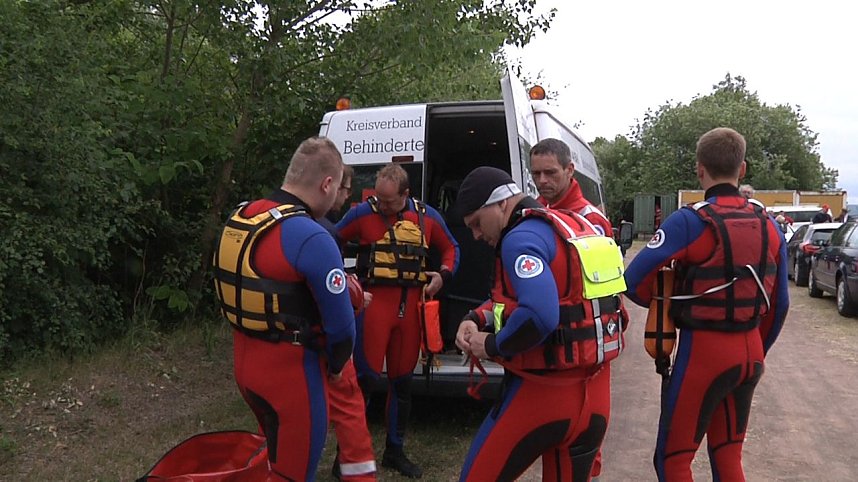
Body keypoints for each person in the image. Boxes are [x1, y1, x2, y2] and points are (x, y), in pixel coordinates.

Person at [624, 127, 789, 481]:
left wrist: (665, 300)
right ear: (742, 169)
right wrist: (756, 345)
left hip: (704, 353)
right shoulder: (769, 224)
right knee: (728, 456)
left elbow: (633, 281)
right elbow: (781, 305)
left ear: (700, 169)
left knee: (673, 460)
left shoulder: (690, 220)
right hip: (750, 353)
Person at [454, 166, 628, 482]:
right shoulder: (574, 225)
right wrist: (476, 317)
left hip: (542, 398)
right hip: (595, 398)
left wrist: (490, 345)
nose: (476, 235)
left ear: (501, 203)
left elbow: (540, 314)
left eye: (477, 223)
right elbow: (567, 298)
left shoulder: (519, 237)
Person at [212, 137, 356, 481]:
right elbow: (343, 330)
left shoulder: (244, 215)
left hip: (247, 370)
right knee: (294, 473)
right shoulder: (311, 236)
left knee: (271, 464)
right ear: (326, 184)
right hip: (292, 381)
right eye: (336, 188)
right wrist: (337, 367)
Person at [336, 163, 460, 478]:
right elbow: (330, 239)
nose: (382, 204)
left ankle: (394, 451)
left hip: (410, 310)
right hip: (374, 307)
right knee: (363, 382)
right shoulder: (363, 213)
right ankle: (345, 455)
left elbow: (451, 249)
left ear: (406, 194)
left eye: (389, 200)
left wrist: (443, 276)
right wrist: (341, 279)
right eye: (378, 198)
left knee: (402, 383)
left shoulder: (427, 217)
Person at [529, 137, 614, 480]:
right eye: (536, 173)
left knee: (580, 449)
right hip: (550, 349)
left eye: (550, 172)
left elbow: (606, 295)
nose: (542, 181)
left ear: (569, 169)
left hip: (585, 351)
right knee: (552, 439)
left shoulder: (593, 222)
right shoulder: (535, 212)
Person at [318, 164, 377, 482]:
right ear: (329, 185)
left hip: (290, 344)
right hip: (328, 343)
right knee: (350, 411)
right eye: (344, 190)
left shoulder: (289, 225)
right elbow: (332, 291)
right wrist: (356, 298)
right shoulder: (324, 232)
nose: (347, 197)